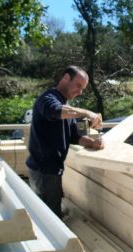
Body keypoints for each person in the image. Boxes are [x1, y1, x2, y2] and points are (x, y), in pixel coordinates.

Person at [26, 66, 104, 218]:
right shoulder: (47, 99)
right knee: (49, 217)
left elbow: (74, 134)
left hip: (52, 169)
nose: (80, 91)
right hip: (43, 170)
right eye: (78, 85)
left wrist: (91, 141)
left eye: (83, 88)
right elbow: (56, 112)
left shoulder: (66, 107)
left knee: (50, 208)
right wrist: (88, 113)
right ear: (66, 78)